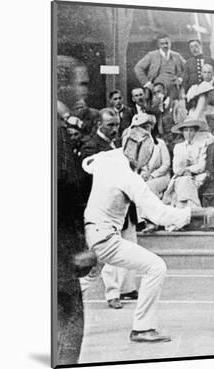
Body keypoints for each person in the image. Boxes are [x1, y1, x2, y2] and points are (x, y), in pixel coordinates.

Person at [82, 126, 214, 342]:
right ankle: (143, 328)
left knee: (84, 281)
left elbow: (87, 164)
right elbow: (160, 214)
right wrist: (198, 213)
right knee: (156, 267)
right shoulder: (128, 177)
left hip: (91, 232)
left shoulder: (106, 158)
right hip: (105, 238)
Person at [55, 54, 95, 365]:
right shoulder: (56, 132)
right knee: (68, 321)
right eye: (79, 84)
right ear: (61, 85)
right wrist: (78, 246)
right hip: (59, 250)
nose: (84, 92)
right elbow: (65, 189)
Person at [79, 109, 139, 310]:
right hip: (105, 210)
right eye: (110, 125)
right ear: (99, 124)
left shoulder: (119, 145)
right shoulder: (90, 147)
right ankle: (112, 294)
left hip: (124, 205)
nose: (115, 129)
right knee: (108, 254)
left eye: (117, 124)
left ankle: (128, 288)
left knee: (131, 245)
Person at [163, 117, 208, 213]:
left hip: (198, 176)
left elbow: (201, 165)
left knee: (186, 182)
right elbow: (176, 168)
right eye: (186, 130)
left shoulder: (201, 145)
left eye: (191, 130)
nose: (188, 133)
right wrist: (183, 172)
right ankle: (190, 212)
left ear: (195, 132)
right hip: (181, 176)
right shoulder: (178, 147)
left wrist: (188, 169)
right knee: (184, 181)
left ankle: (183, 213)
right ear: (182, 132)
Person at [134, 33, 186, 100]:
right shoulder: (152, 55)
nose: (165, 45)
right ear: (158, 45)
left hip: (174, 89)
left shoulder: (177, 56)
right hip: (157, 89)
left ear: (170, 43)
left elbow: (187, 68)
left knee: (173, 108)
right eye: (162, 43)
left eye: (167, 43)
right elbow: (138, 68)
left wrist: (180, 79)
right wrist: (147, 83)